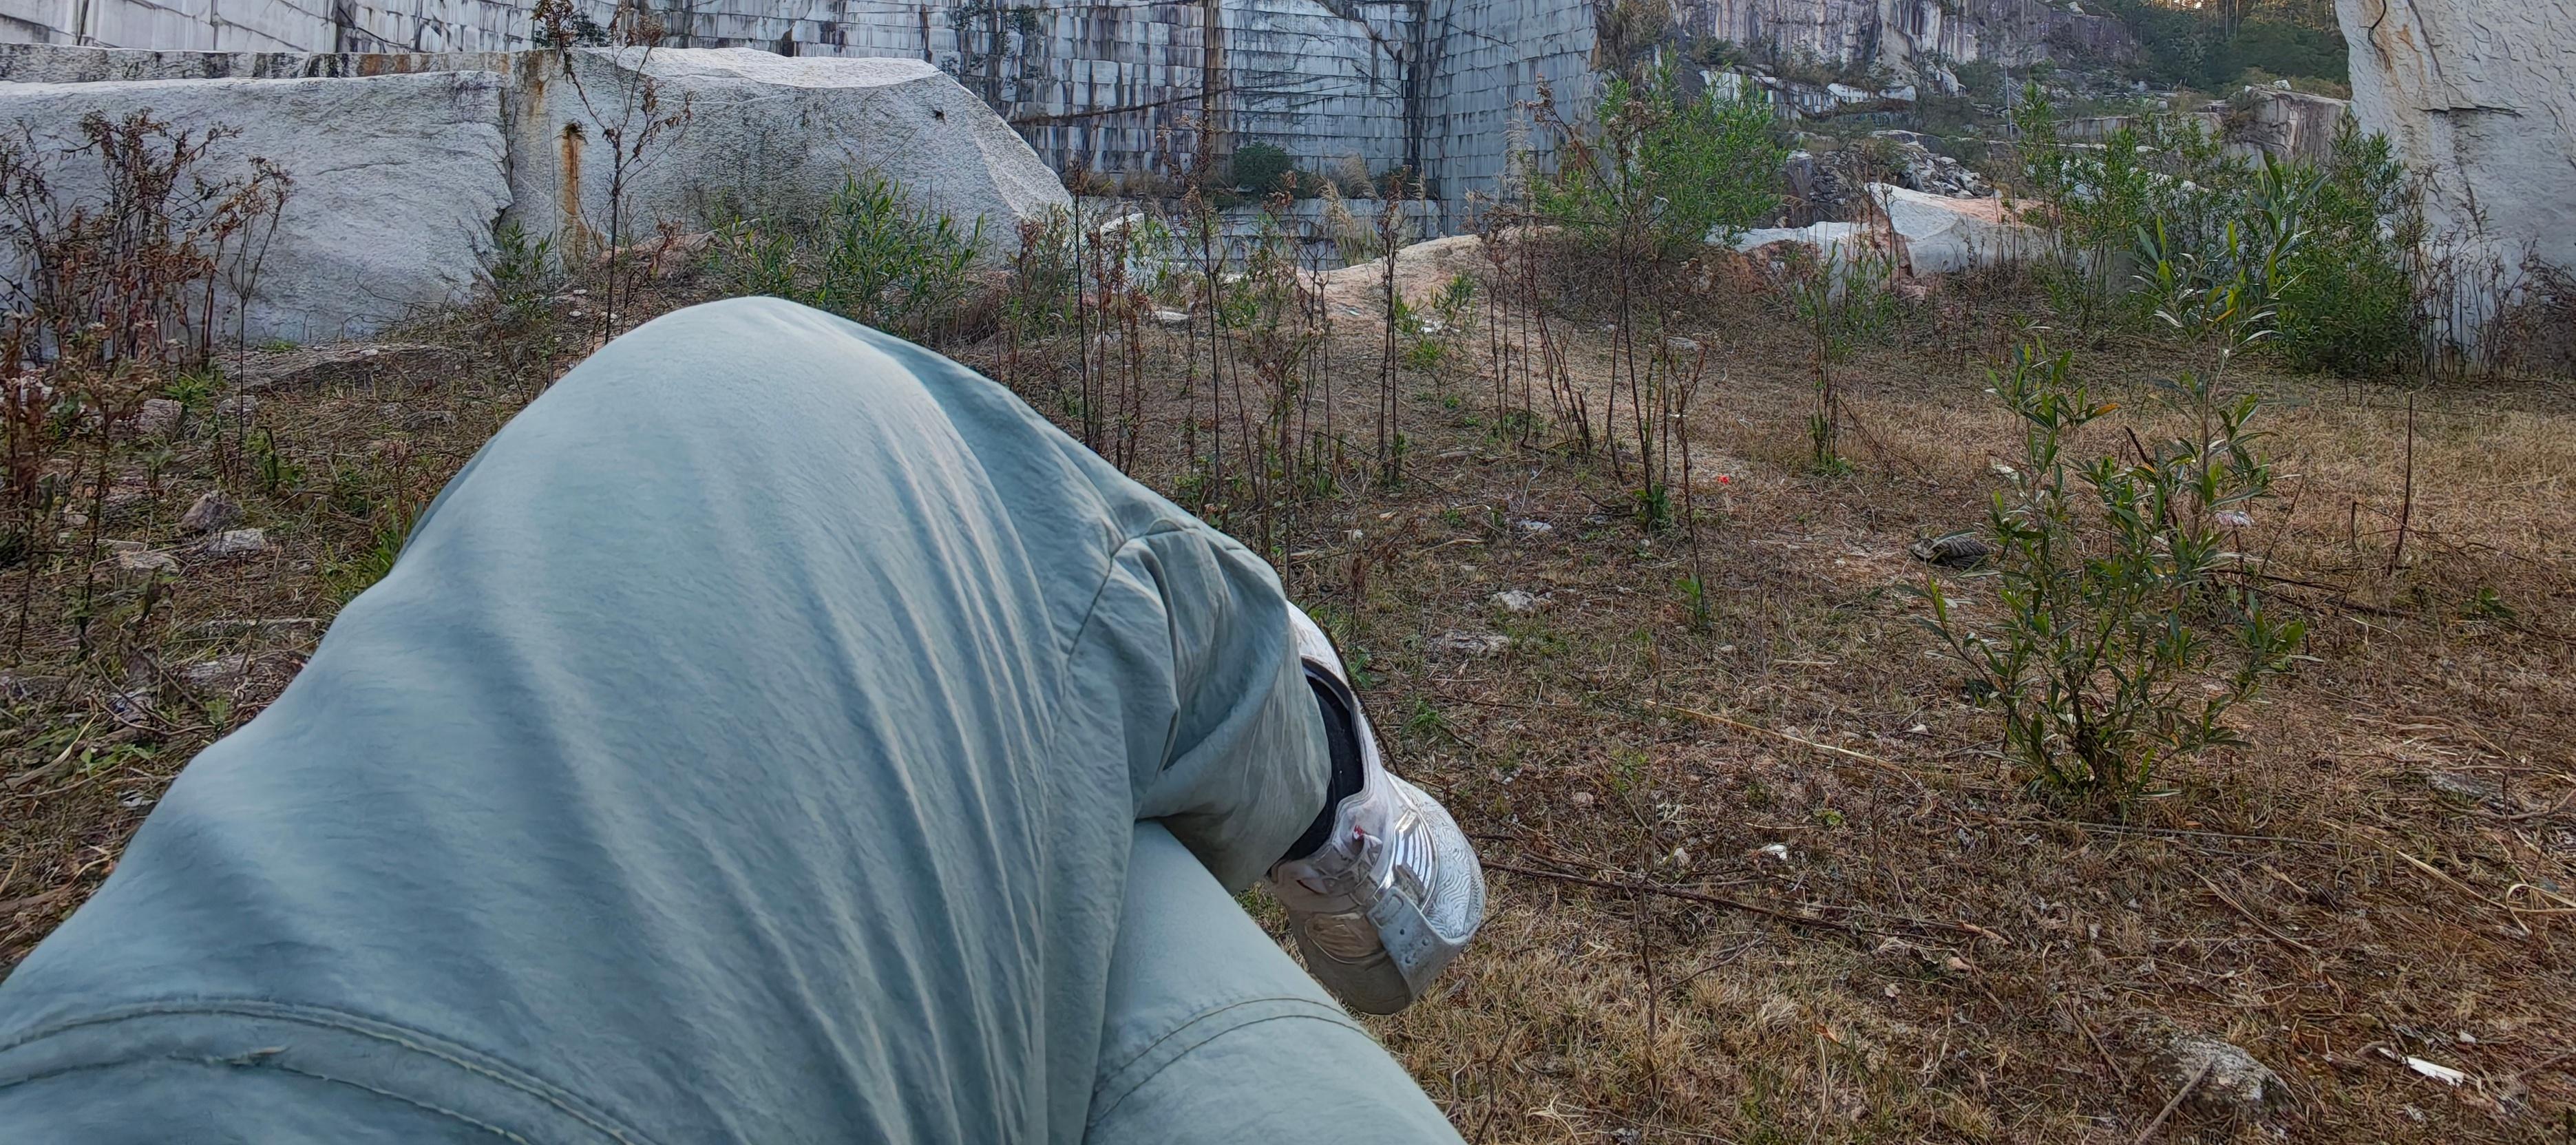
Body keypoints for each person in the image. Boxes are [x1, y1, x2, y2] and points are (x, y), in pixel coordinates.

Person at [0, 297, 1484, 1142]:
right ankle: (1314, 777)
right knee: (771, 387)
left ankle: (1228, 786)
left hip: (174, 1075)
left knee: (1063, 875)